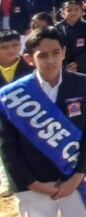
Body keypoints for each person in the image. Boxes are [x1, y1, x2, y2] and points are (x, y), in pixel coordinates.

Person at [0, 27, 86, 216]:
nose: (51, 60)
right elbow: (8, 147)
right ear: (29, 58)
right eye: (43, 55)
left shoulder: (81, 84)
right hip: (34, 183)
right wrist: (33, 184)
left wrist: (77, 178)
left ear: (64, 52)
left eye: (56, 53)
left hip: (77, 179)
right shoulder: (12, 96)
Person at [0, 29, 32, 196]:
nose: (11, 50)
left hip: (26, 117)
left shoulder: (31, 67)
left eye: (14, 45)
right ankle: (6, 180)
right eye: (4, 47)